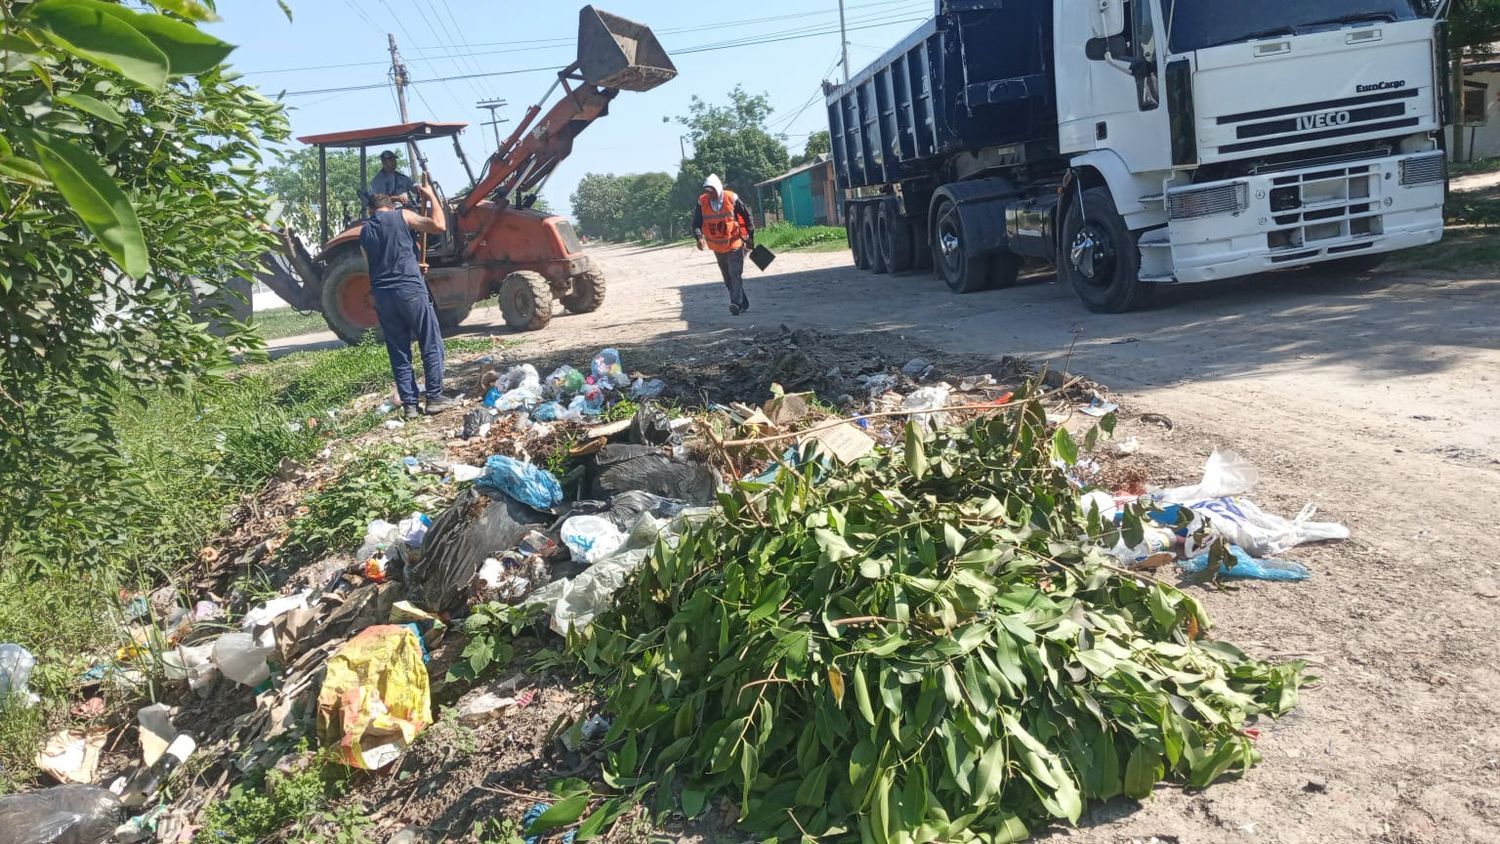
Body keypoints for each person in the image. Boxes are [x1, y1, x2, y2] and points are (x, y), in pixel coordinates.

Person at [360, 188, 457, 419]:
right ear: (390, 207)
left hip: (383, 295)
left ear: (371, 211)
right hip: (409, 290)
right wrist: (430, 195)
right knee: (430, 341)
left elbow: (372, 265)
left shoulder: (364, 232)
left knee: (399, 352)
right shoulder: (402, 215)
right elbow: (439, 225)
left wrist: (414, 265)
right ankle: (434, 398)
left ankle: (410, 406)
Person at [692, 174, 756, 315]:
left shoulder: (731, 198)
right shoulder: (702, 202)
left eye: (712, 191)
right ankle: (743, 303)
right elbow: (696, 223)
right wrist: (699, 237)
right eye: (707, 192)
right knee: (727, 278)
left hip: (735, 243)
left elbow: (746, 216)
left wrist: (750, 236)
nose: (709, 195)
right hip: (717, 247)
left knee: (735, 273)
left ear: (718, 189)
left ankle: (735, 303)